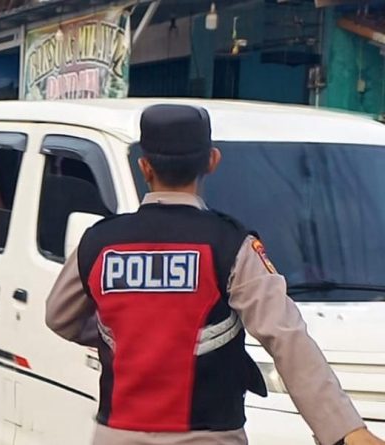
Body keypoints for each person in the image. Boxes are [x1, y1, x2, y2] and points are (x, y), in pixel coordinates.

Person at [45, 104, 385, 445]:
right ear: (212, 161)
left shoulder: (99, 242)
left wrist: (135, 339)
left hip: (117, 435)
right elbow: (285, 335)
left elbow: (59, 316)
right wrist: (344, 430)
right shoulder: (230, 244)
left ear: (144, 167)